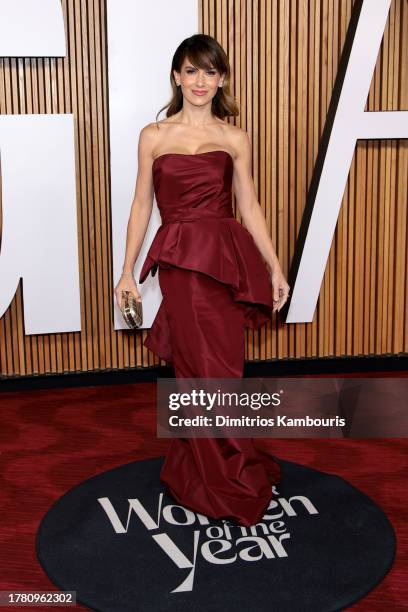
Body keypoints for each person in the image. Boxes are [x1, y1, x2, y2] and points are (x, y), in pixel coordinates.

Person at [114, 34, 290, 527]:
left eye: (209, 72)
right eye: (191, 71)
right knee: (198, 369)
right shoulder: (153, 135)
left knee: (225, 370)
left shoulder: (236, 138)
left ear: (222, 79)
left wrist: (275, 268)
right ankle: (218, 472)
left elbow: (249, 207)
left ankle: (223, 461)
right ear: (176, 76)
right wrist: (126, 271)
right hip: (180, 265)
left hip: (224, 262)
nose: (200, 81)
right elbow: (142, 205)